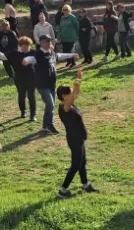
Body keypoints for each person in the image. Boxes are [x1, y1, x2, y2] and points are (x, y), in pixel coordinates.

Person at [57, 69, 99, 197]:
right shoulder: (65, 108)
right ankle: (63, 189)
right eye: (69, 93)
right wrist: (75, 83)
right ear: (64, 96)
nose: (72, 95)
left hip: (78, 139)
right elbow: (72, 96)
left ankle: (85, 185)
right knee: (75, 165)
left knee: (82, 162)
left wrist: (79, 79)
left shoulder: (70, 104)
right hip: (74, 140)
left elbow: (75, 94)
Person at [31, 34, 75, 135]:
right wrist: (26, 60)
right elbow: (31, 59)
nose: (49, 43)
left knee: (50, 106)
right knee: (50, 105)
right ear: (41, 43)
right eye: (47, 41)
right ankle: (50, 125)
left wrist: (71, 55)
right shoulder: (37, 54)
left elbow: (60, 56)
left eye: (49, 41)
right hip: (42, 85)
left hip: (52, 84)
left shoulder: (51, 52)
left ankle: (44, 127)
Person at [0, 36, 38, 121]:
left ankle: (32, 115)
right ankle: (23, 111)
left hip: (31, 77)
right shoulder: (14, 53)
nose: (27, 48)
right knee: (21, 95)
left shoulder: (33, 52)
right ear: (20, 46)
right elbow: (3, 57)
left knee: (31, 95)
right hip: (19, 77)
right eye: (24, 46)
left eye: (28, 46)